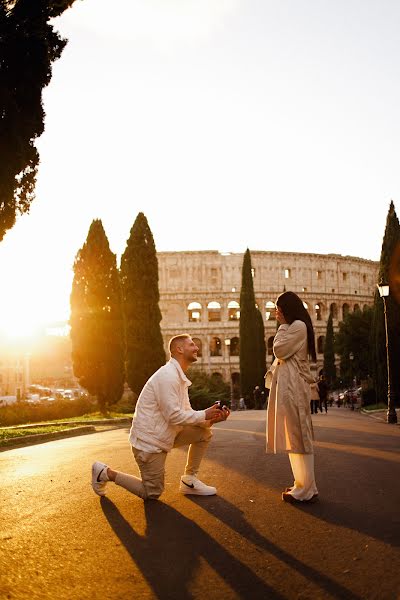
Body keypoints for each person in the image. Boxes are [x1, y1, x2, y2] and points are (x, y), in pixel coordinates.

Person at [91, 334, 230, 500]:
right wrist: (204, 414)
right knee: (152, 493)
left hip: (166, 435)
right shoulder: (168, 376)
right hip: (149, 443)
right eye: (192, 344)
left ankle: (189, 481)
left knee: (204, 434)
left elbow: (186, 414)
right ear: (179, 349)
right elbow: (174, 416)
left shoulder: (178, 377)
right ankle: (105, 473)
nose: (197, 348)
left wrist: (210, 419)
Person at [266, 291, 318, 503]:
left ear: (287, 309)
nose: (277, 314)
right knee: (293, 437)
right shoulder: (295, 326)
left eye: (279, 309)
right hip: (289, 388)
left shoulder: (297, 326)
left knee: (300, 438)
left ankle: (306, 489)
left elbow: (279, 350)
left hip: (294, 389)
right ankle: (302, 485)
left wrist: (282, 326)